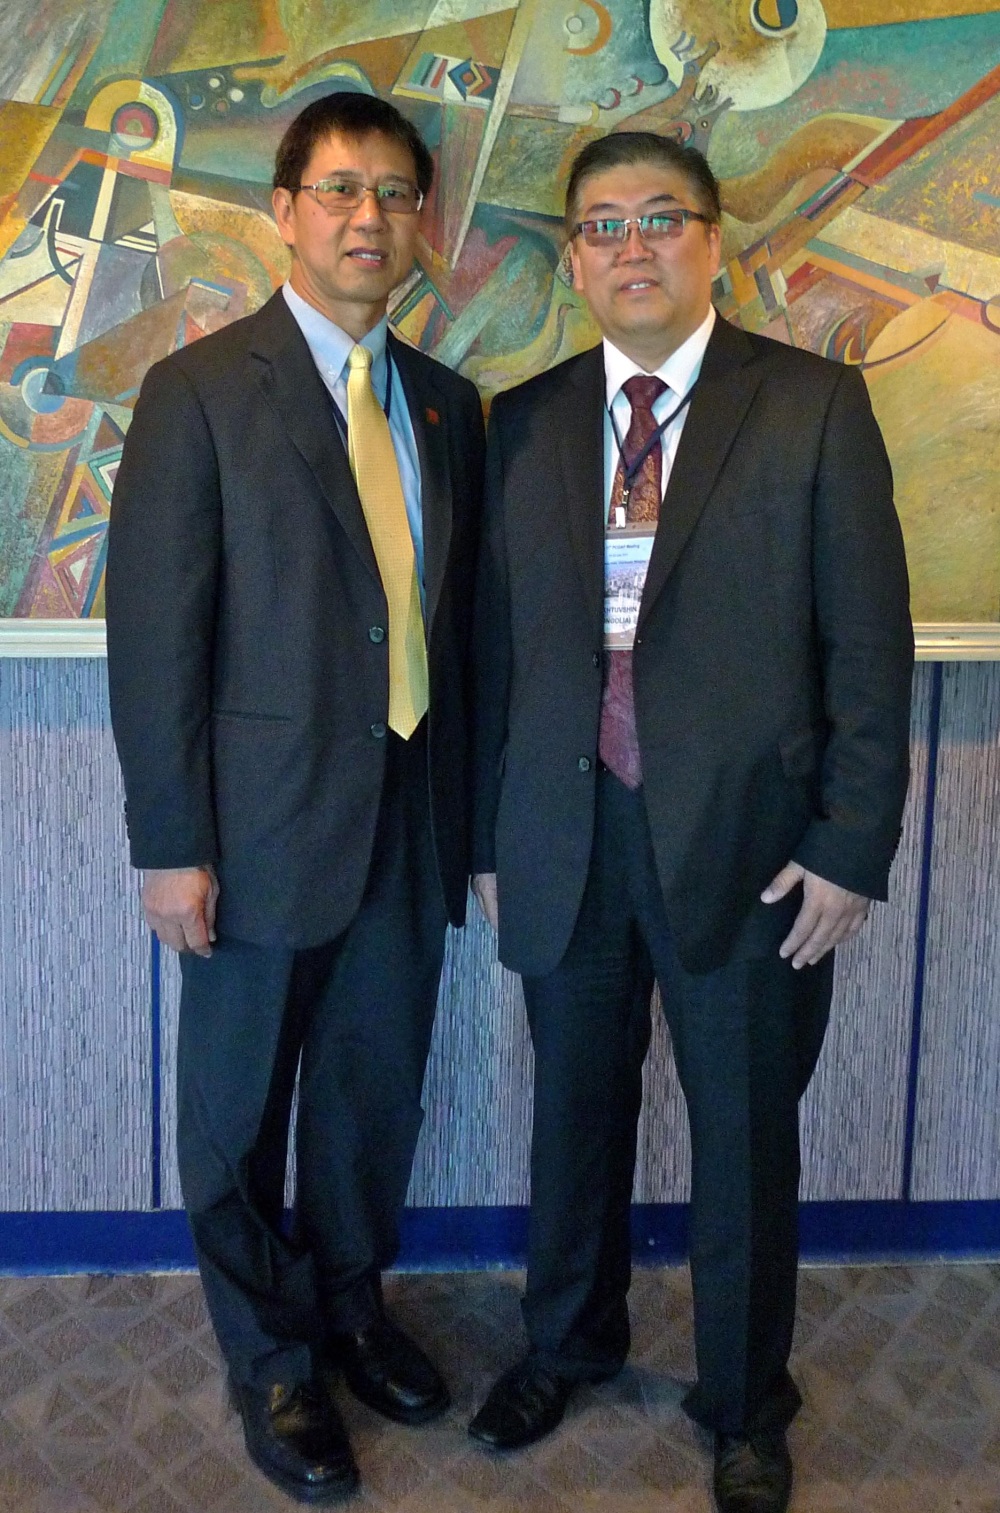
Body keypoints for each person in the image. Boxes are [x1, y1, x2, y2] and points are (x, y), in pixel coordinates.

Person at [468, 131, 912, 1513]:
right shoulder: (523, 420)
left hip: (751, 846)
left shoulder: (812, 406)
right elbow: (495, 652)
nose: (633, 245)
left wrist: (850, 844)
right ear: (575, 259)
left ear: (714, 242)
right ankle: (566, 1343)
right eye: (603, 224)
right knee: (571, 1115)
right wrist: (491, 838)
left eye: (661, 217)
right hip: (569, 832)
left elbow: (869, 645)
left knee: (745, 1136)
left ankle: (743, 1401)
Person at [106, 91, 484, 1504]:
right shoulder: (199, 391)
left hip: (408, 820)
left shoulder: (446, 404)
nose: (369, 218)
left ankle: (348, 1307)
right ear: (283, 211)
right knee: (238, 1110)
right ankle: (269, 1358)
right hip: (255, 830)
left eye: (395, 193)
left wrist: (471, 830)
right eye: (339, 190)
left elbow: (461, 634)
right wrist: (172, 846)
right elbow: (157, 639)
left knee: (371, 1099)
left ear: (421, 221)